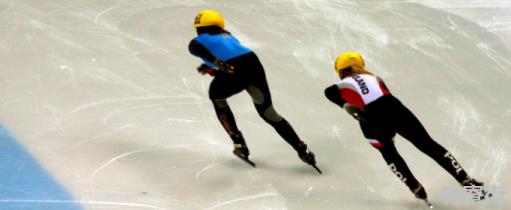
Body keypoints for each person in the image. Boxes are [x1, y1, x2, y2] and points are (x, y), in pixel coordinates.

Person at [324, 52, 488, 202]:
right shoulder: (376, 78)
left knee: (388, 152)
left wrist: (345, 105)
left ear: (340, 71)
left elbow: (328, 92)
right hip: (394, 108)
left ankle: (415, 187)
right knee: (428, 144)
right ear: (360, 65)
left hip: (368, 118)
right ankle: (466, 181)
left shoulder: (340, 84)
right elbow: (386, 94)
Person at [188, 10, 316, 168]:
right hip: (253, 63)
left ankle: (238, 142)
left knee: (216, 97)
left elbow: (193, 48)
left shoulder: (200, 40)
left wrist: (216, 62)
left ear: (199, 28)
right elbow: (234, 73)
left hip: (235, 68)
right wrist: (213, 68)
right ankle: (302, 149)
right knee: (269, 113)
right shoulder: (229, 36)